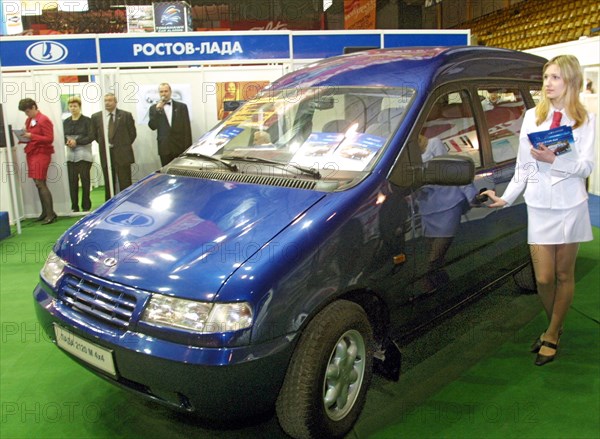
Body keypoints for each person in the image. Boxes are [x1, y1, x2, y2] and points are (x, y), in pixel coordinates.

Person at [483, 55, 596, 366]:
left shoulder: (585, 120)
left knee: (563, 273)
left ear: (571, 81)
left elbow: (586, 166)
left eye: (556, 77)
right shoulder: (533, 116)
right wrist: (506, 198)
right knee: (544, 278)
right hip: (539, 205)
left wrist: (555, 160)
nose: (548, 83)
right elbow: (524, 166)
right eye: (546, 77)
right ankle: (554, 326)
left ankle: (552, 333)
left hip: (570, 205)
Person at [89, 93, 137, 201]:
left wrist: (122, 145)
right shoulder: (96, 117)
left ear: (115, 102)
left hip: (123, 154)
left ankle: (128, 202)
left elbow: (132, 134)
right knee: (109, 182)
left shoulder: (126, 115)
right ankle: (109, 205)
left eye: (110, 100)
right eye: (105, 100)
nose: (107, 102)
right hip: (106, 154)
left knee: (125, 181)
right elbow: (95, 135)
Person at [17, 98, 57, 225]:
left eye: (28, 111)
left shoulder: (44, 119)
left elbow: (49, 138)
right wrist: (24, 137)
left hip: (42, 153)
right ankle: (45, 212)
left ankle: (50, 214)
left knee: (40, 183)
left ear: (34, 107)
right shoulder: (29, 120)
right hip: (32, 152)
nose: (26, 114)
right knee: (38, 183)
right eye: (25, 112)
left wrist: (31, 136)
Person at [148, 83, 192, 166]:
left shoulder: (181, 107)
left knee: (181, 172)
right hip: (164, 147)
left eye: (166, 91)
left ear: (170, 92)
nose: (164, 94)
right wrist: (158, 110)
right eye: (161, 92)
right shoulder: (154, 108)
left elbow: (187, 128)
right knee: (166, 173)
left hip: (180, 147)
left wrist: (188, 148)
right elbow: (152, 126)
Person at [63, 96, 93, 212]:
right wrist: (67, 142)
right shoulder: (66, 122)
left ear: (79, 107)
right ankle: (74, 206)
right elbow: (62, 136)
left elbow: (91, 136)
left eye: (75, 106)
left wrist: (77, 141)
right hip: (70, 155)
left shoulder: (87, 120)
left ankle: (86, 205)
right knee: (72, 181)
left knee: (85, 180)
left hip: (84, 154)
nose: (73, 108)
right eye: (70, 106)